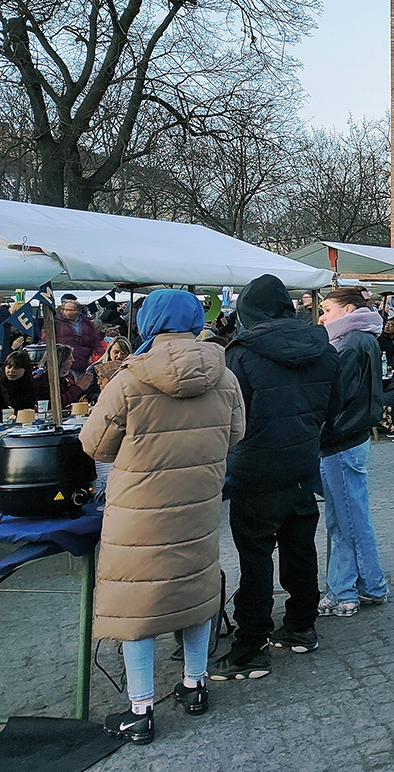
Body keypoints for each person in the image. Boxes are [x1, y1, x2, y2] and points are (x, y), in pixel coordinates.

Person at [81, 288, 244, 744]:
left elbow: (95, 445)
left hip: (139, 512)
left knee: (138, 603)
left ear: (147, 322)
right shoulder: (223, 375)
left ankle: (140, 709)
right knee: (192, 589)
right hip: (199, 503)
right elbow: (236, 435)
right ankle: (195, 686)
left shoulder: (129, 379)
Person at [214, 275, 341, 680]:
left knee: (255, 556)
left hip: (256, 468)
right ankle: (301, 625)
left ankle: (251, 645)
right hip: (303, 463)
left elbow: (234, 416)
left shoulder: (242, 353)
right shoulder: (323, 348)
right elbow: (334, 406)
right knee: (299, 545)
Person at [316, 288, 390, 618]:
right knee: (348, 516)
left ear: (346, 310)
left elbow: (335, 396)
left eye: (326, 309)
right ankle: (364, 584)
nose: (321, 315)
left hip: (341, 439)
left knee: (346, 520)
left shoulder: (349, 343)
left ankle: (349, 589)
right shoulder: (361, 339)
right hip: (350, 436)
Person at [55, 294, 103, 369]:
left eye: (71, 310)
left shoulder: (87, 324)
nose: (67, 312)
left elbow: (95, 341)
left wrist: (105, 354)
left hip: (83, 362)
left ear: (78, 311)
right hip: (63, 363)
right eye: (65, 310)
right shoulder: (57, 323)